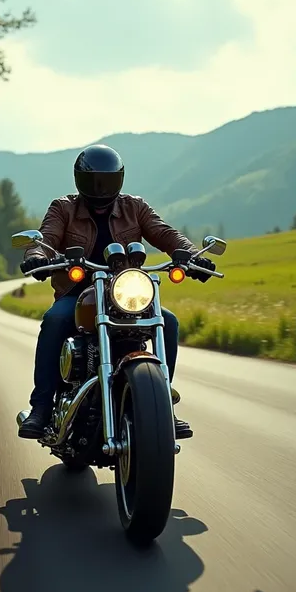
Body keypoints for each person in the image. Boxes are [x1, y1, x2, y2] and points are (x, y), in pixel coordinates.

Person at [18, 144, 215, 440]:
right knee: (55, 319)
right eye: (93, 181)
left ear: (119, 180)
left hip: (124, 293)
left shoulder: (134, 208)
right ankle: (42, 406)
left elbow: (165, 233)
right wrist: (38, 256)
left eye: (107, 181)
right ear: (79, 181)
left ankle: (161, 405)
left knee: (168, 322)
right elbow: (45, 238)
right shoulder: (64, 208)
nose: (100, 189)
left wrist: (190, 254)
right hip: (78, 293)